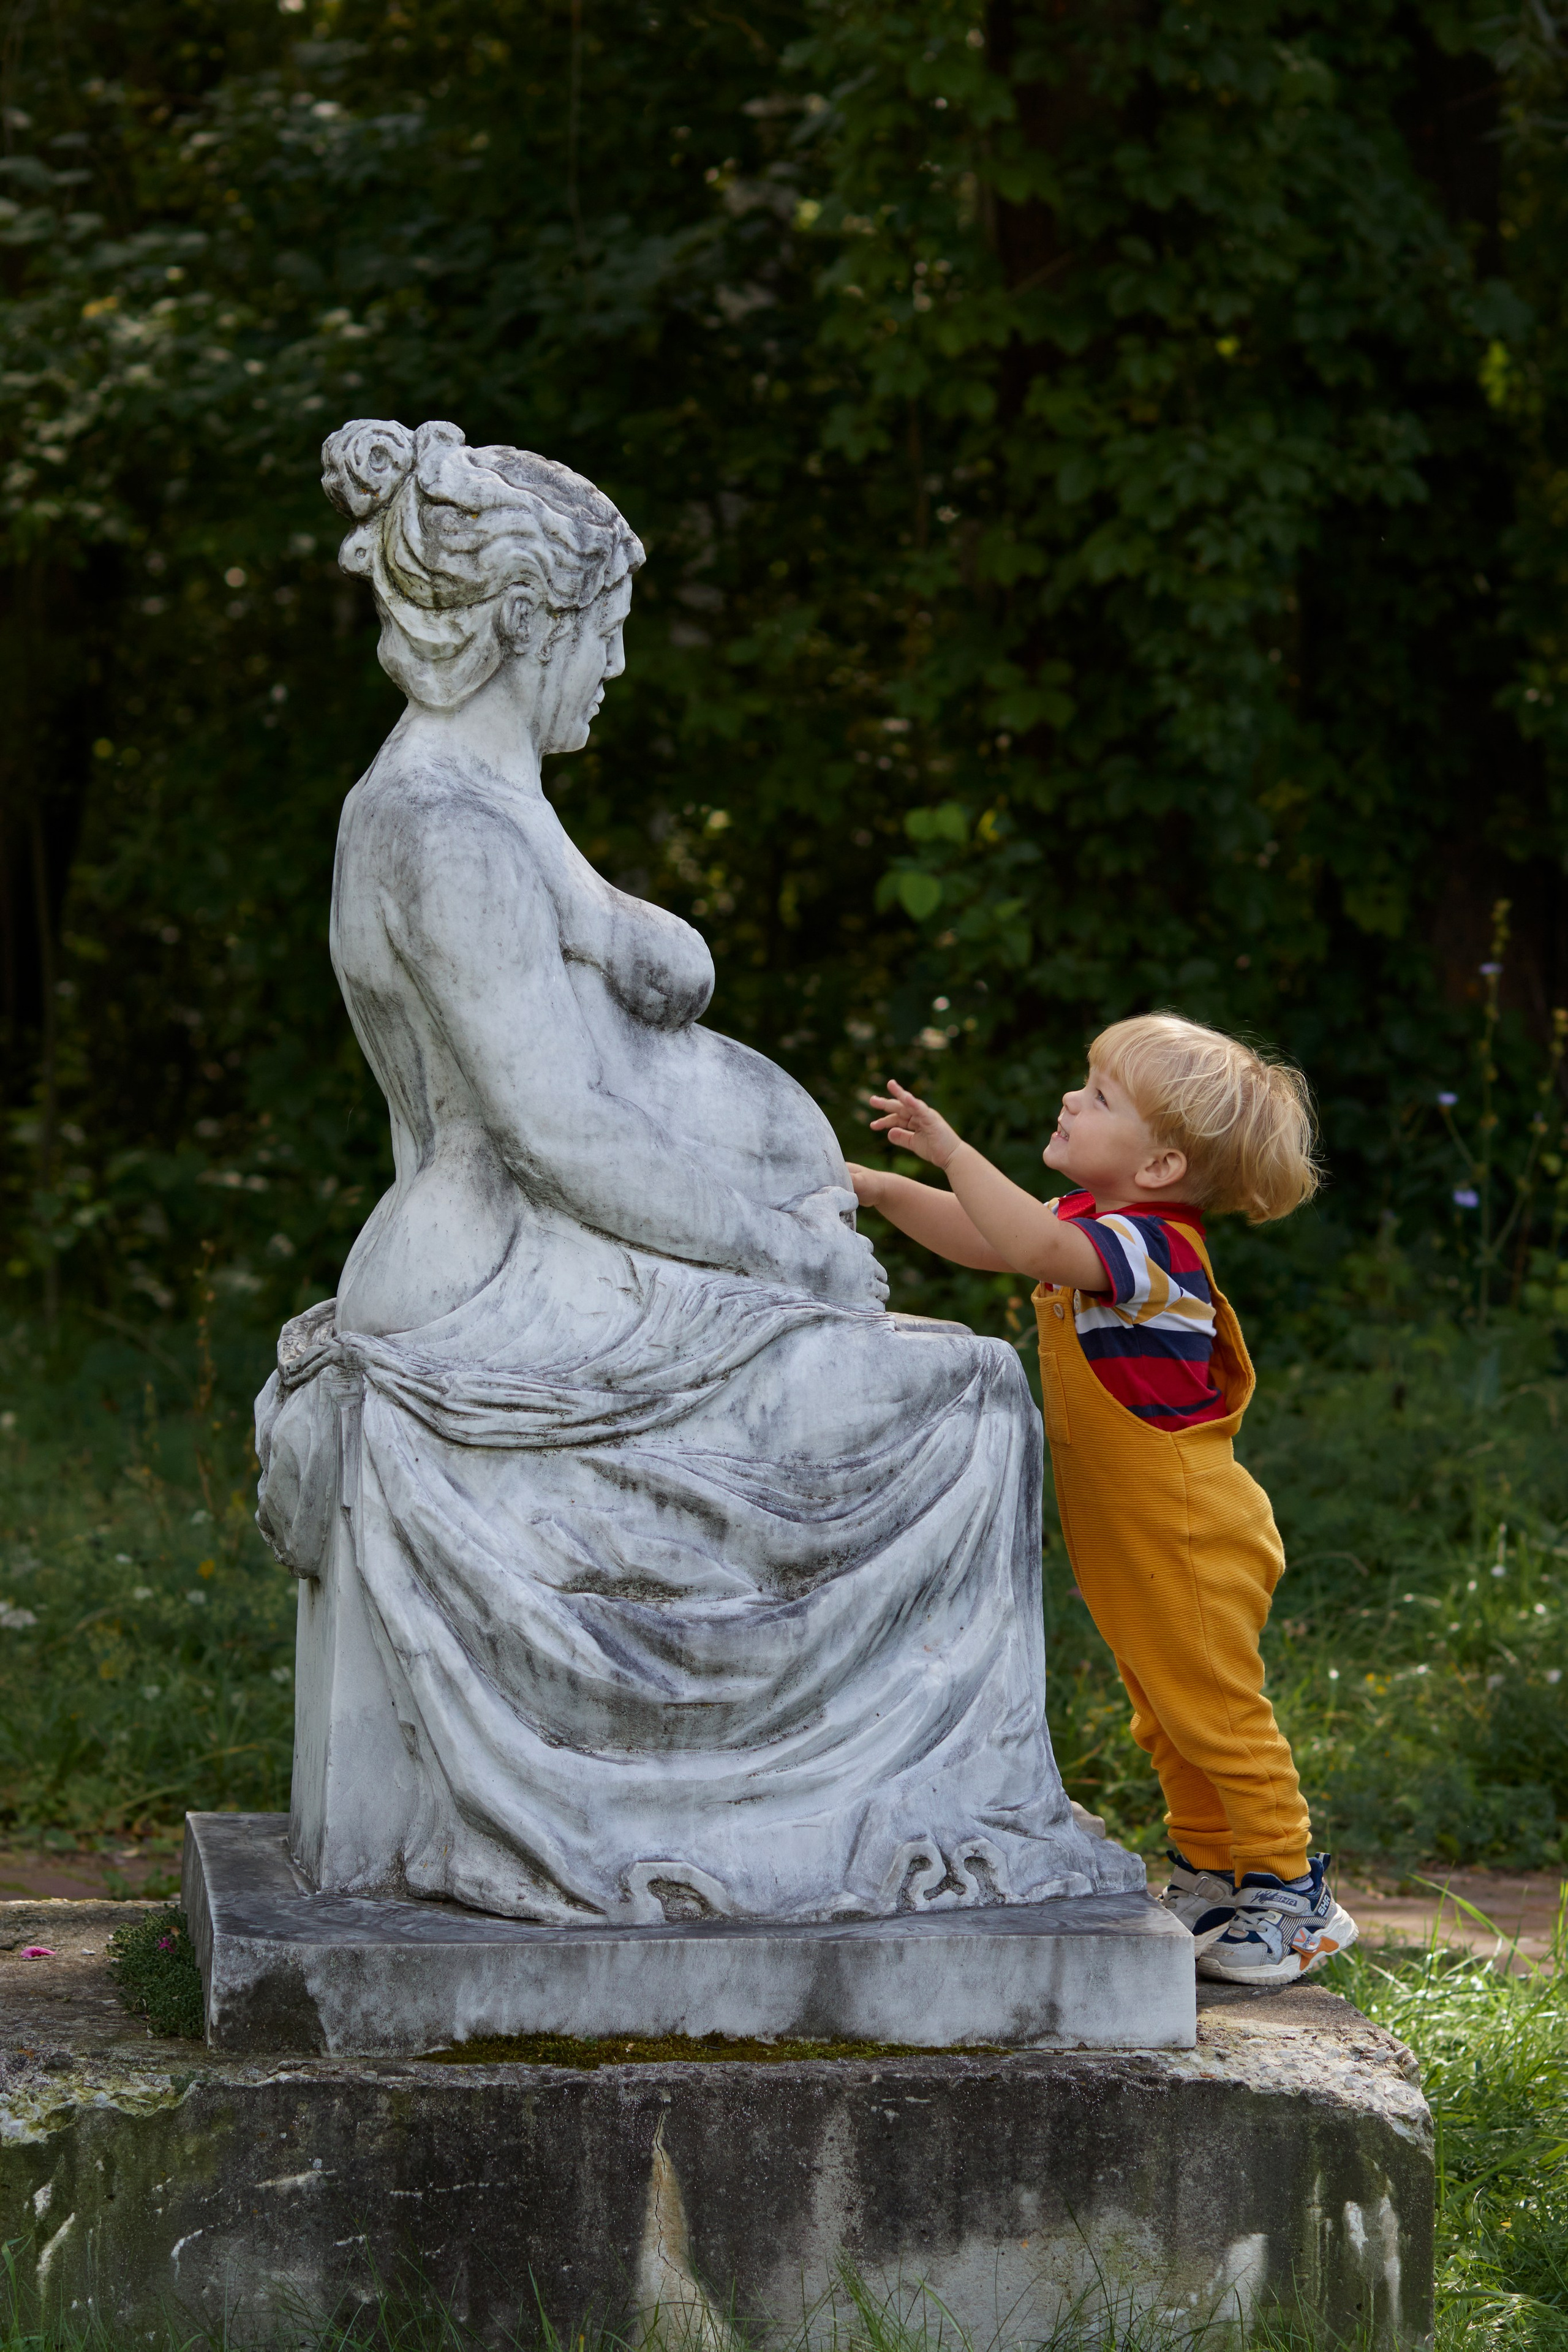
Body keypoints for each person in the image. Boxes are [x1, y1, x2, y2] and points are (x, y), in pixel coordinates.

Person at [254, 416, 1141, 1924]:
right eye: (602, 635)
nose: (612, 670)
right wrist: (780, 1248)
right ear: (524, 626)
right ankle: (835, 1819)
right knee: (971, 1399)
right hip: (515, 1289)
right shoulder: (443, 832)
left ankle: (862, 1804)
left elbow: (637, 983)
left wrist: (640, 952)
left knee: (951, 1386)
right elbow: (554, 1131)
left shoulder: (491, 811)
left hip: (584, 1268)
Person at [848, 1012, 1359, 1983]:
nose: (1073, 1099)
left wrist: (954, 1150)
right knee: (1163, 1714)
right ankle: (1215, 1873)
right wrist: (882, 1190)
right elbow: (984, 1238)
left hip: (1188, 1530)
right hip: (1136, 1536)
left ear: (1161, 1165)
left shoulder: (1152, 1250)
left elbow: (1029, 1244)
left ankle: (1294, 1895)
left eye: (1100, 1096)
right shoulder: (1098, 1228)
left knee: (1216, 1714)